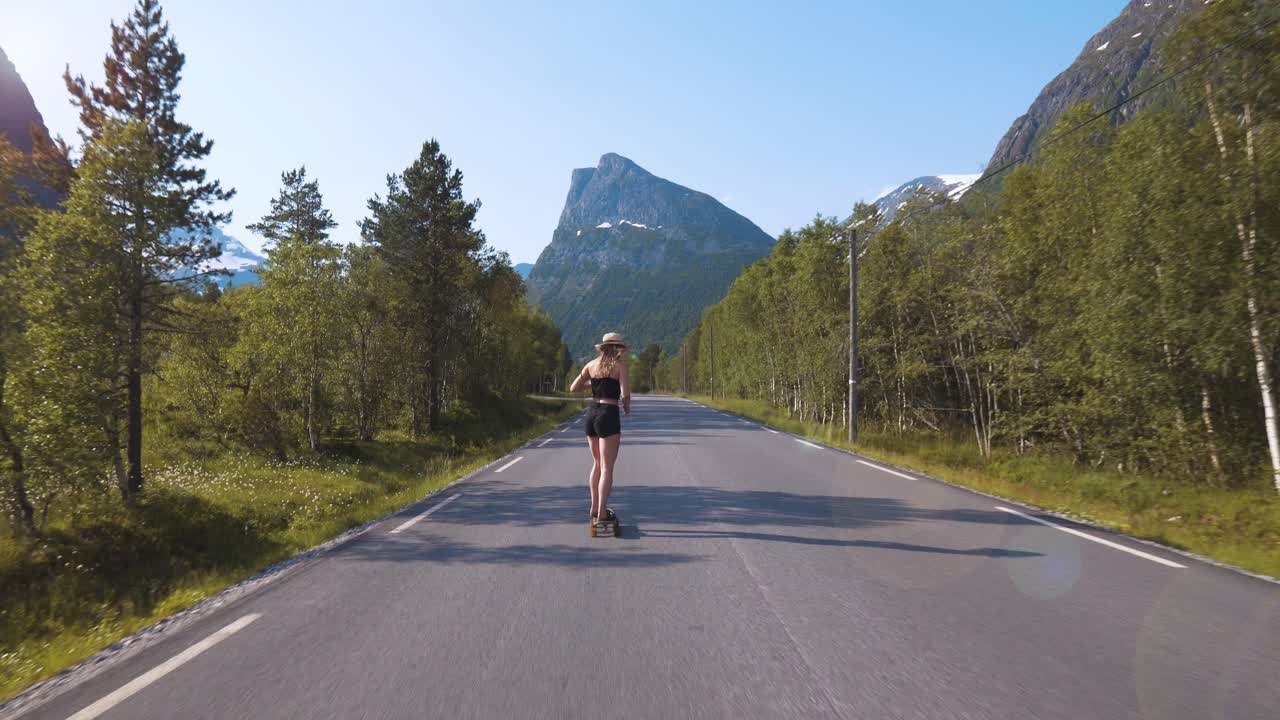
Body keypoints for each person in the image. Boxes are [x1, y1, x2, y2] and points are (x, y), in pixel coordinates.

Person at [569, 332, 631, 525]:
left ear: (603, 348)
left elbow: (574, 388)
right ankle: (603, 512)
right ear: (619, 349)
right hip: (608, 413)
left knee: (596, 463)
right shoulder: (620, 366)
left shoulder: (591, 365)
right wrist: (627, 408)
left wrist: (595, 385)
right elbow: (625, 394)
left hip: (592, 413)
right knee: (607, 467)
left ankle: (594, 507)